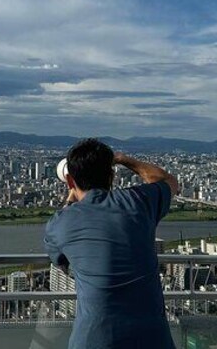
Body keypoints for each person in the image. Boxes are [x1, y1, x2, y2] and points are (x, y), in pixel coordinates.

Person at [44, 138, 179, 349]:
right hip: (152, 339)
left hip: (94, 340)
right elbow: (169, 181)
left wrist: (71, 196)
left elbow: (62, 261)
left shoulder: (60, 223)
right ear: (112, 176)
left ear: (70, 181)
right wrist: (123, 159)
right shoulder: (138, 202)